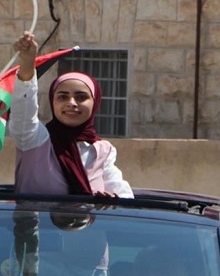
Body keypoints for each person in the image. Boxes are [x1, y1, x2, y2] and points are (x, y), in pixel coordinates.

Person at [9, 31, 134, 197]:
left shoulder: (102, 151)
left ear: (95, 103)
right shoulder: (34, 138)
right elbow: (23, 108)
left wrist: (111, 200)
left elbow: (124, 196)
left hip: (91, 216)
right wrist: (27, 63)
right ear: (53, 101)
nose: (72, 103)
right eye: (63, 97)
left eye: (81, 97)